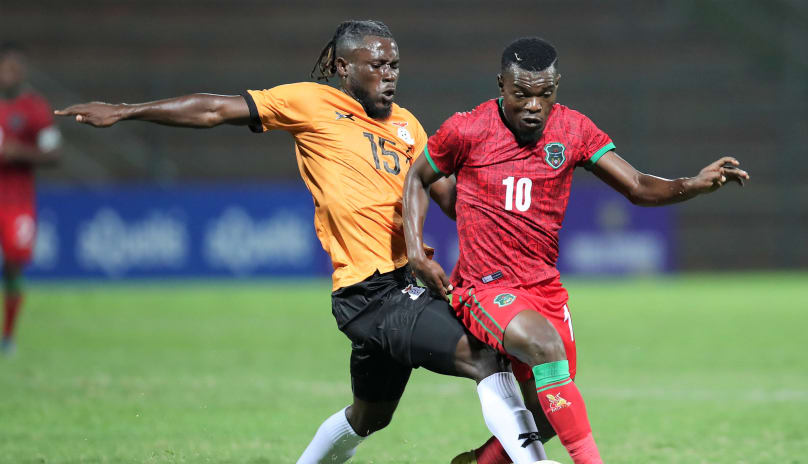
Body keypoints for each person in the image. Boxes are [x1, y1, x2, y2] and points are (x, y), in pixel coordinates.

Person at [56, 21, 552, 464]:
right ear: (343, 67)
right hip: (369, 292)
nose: (389, 75)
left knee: (369, 416)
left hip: (402, 285)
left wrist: (509, 199)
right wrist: (125, 111)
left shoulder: (407, 125)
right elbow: (211, 110)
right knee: (483, 357)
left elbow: (451, 199)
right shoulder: (310, 103)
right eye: (376, 65)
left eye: (395, 64)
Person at [404, 37, 750, 464]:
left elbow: (637, 186)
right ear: (501, 86)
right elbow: (418, 177)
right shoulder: (468, 128)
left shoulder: (573, 130)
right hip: (484, 286)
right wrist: (416, 252)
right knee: (547, 349)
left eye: (544, 94)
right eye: (521, 94)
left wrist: (692, 184)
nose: (534, 105)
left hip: (544, 287)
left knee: (551, 409)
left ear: (557, 88)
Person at [0, 41, 61, 355]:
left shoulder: (35, 108)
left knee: (12, 267)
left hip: (16, 202)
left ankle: (8, 336)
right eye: (7, 67)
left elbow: (54, 154)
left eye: (16, 67)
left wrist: (18, 152)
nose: (12, 73)